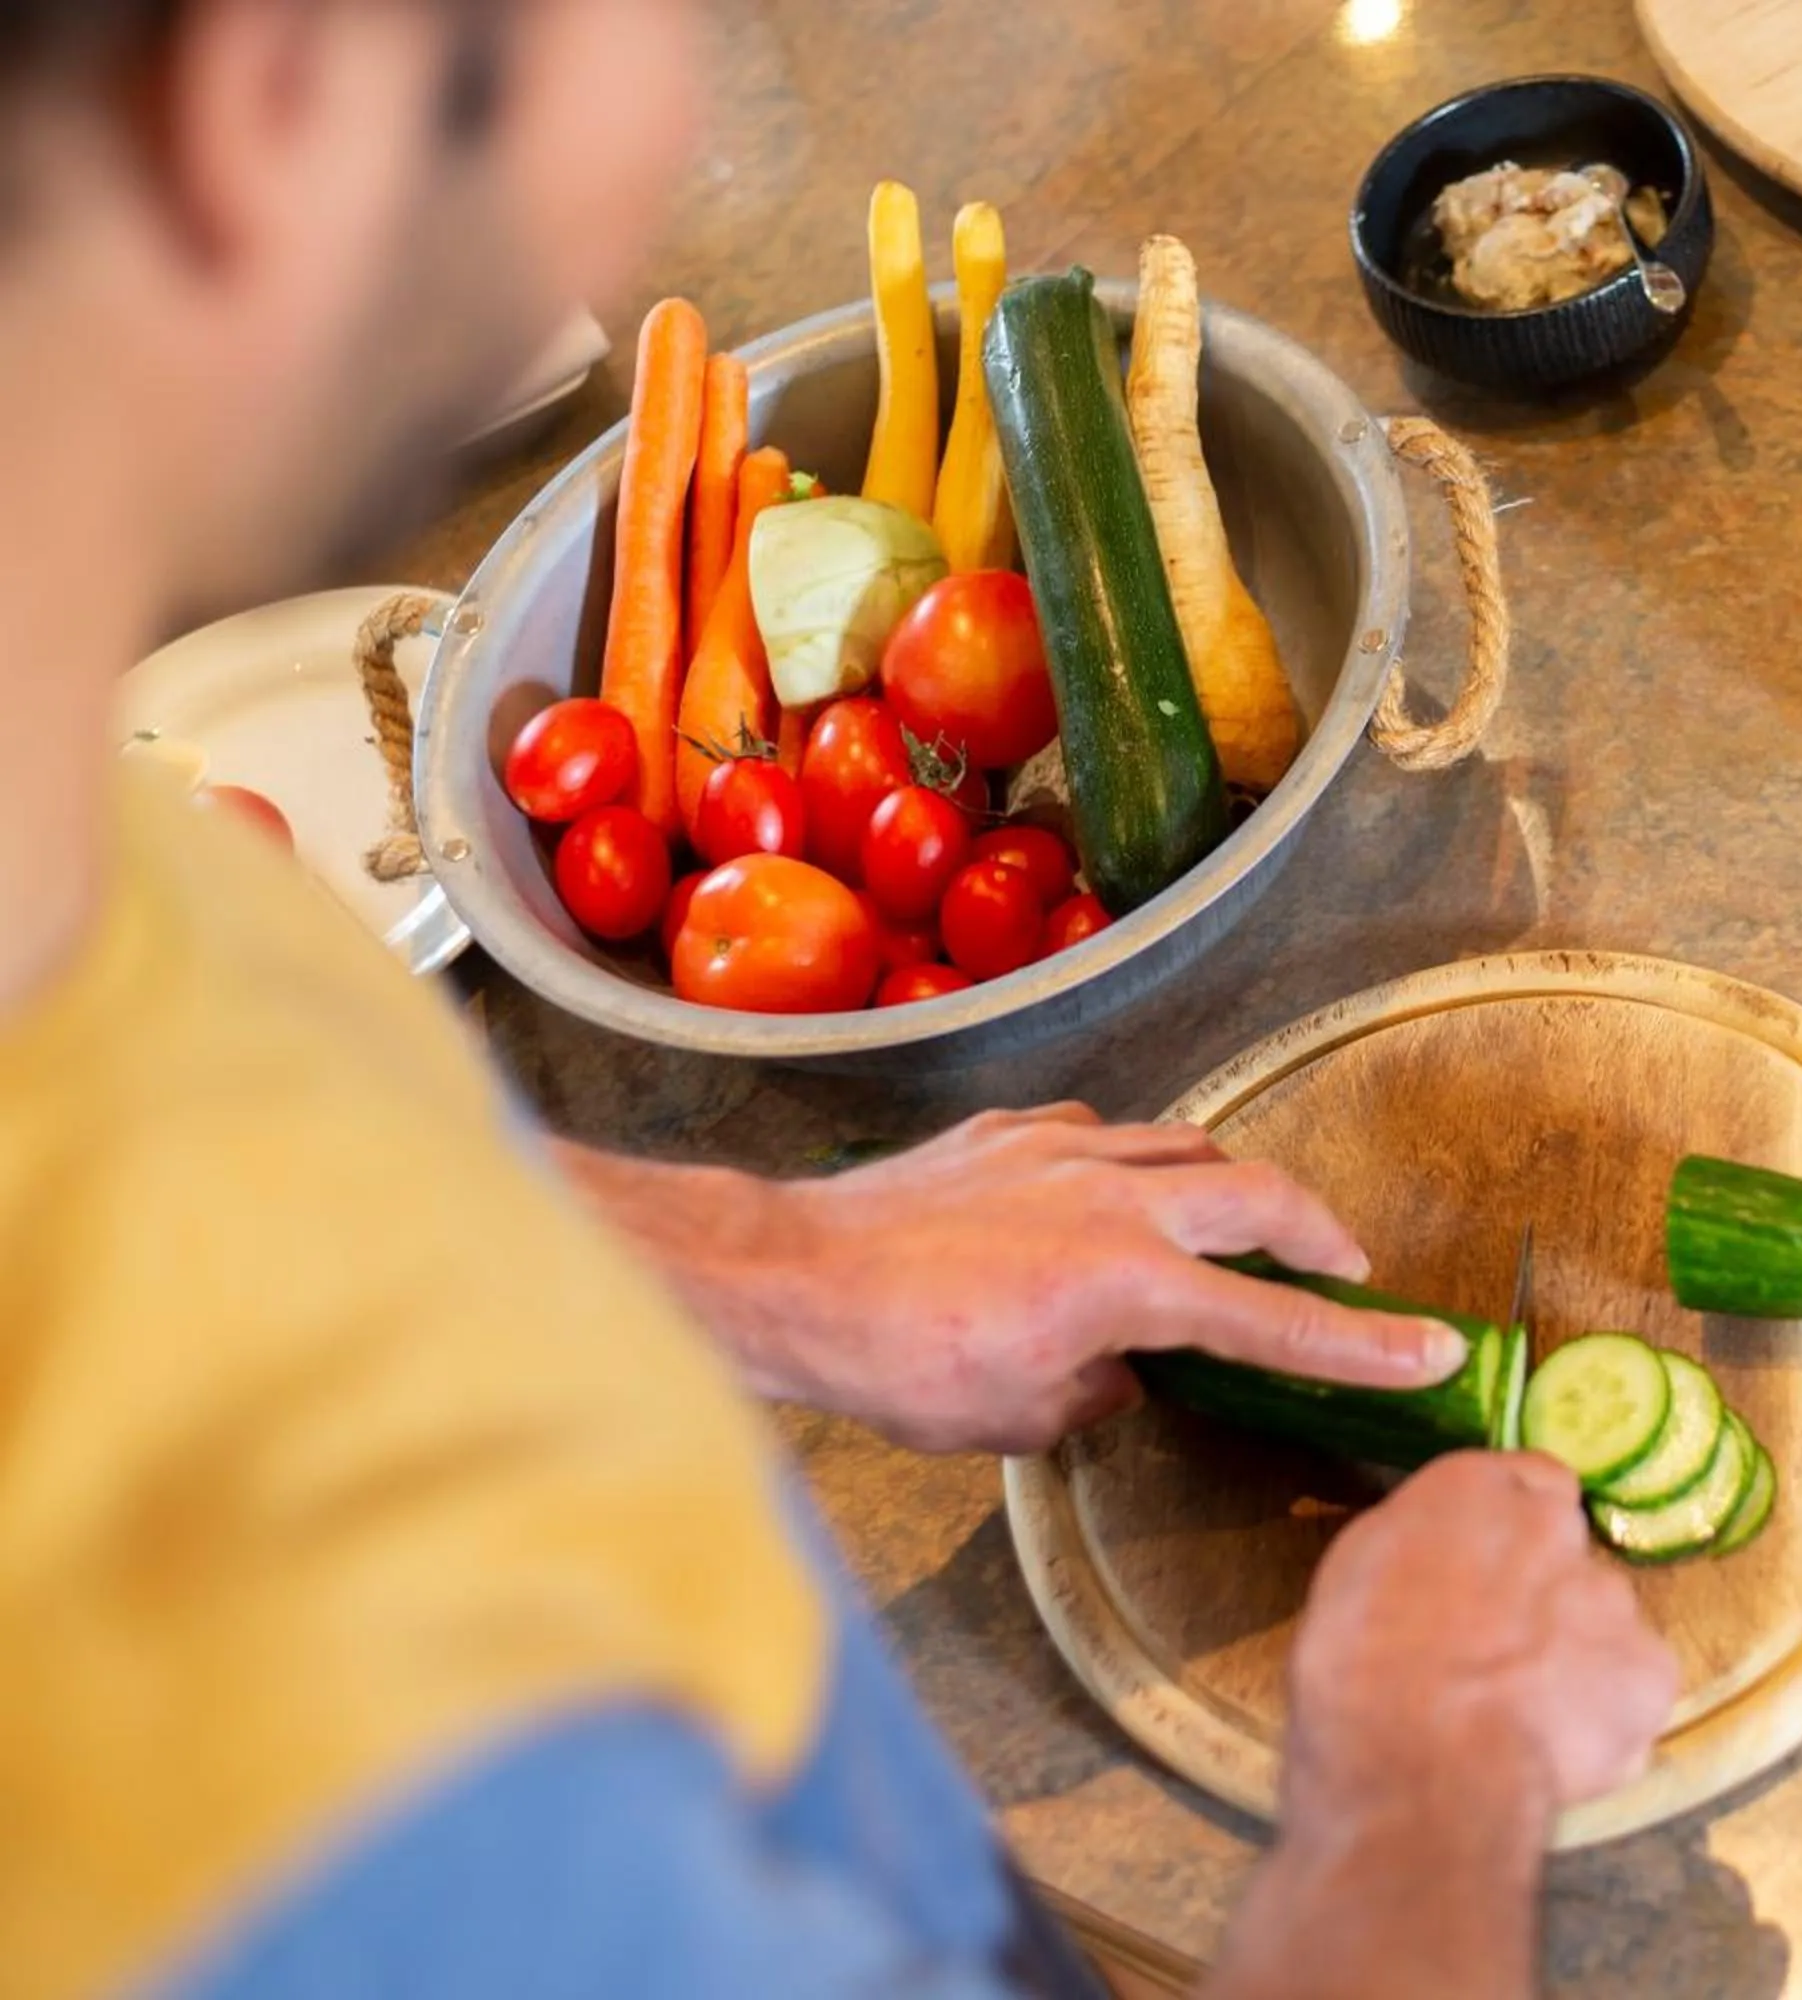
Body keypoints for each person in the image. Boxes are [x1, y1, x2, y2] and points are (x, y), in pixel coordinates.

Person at [0, 4, 1680, 1997]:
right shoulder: (358, 1772)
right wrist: (1425, 1777)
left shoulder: (62, 803)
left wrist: (761, 1258)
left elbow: (193, 1151)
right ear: (279, 86)